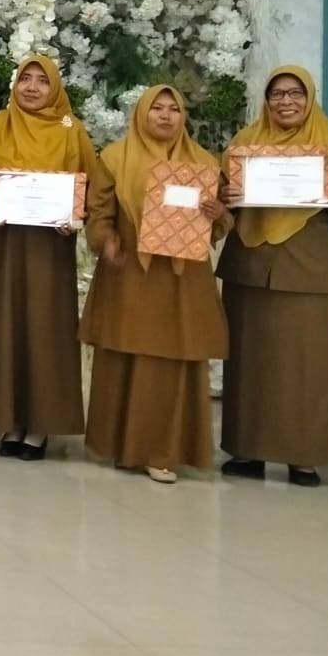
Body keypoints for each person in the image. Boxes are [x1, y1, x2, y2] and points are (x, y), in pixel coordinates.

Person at [81, 86, 227, 484]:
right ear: (141, 114)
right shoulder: (115, 158)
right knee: (126, 358)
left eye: (173, 109)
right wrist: (106, 241)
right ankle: (122, 446)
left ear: (183, 116)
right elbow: (98, 215)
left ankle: (163, 451)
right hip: (130, 273)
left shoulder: (203, 162)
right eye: (156, 108)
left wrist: (217, 212)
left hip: (182, 280)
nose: (165, 115)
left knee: (171, 363)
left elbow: (218, 226)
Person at [0, 55, 102, 460]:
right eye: (25, 78)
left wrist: (76, 217)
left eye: (41, 81)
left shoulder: (70, 129)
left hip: (49, 250)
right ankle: (9, 420)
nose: (31, 87)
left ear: (55, 88)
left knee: (45, 330)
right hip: (2, 248)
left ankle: (41, 425)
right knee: (4, 328)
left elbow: (94, 188)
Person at [218, 66, 328, 487]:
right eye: (277, 94)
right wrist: (227, 197)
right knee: (248, 363)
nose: (286, 102)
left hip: (308, 271)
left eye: (295, 94)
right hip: (249, 268)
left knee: (306, 367)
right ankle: (246, 451)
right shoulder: (245, 142)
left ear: (310, 98)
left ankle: (302, 457)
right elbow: (217, 204)